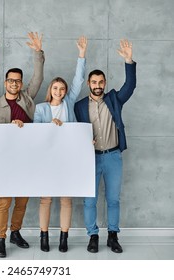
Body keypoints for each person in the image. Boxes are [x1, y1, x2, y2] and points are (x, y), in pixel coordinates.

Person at [74, 39, 136, 254]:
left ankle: (113, 236)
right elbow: (74, 131)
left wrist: (128, 60)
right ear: (89, 84)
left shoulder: (114, 99)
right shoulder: (79, 106)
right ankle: (92, 236)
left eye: (101, 82)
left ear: (105, 83)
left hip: (112, 156)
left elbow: (130, 86)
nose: (98, 85)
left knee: (113, 199)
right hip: (90, 158)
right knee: (89, 200)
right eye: (94, 82)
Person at [0, 32, 45, 258]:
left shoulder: (28, 98)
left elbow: (38, 78)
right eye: (10, 80)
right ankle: (0, 239)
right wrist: (11, 127)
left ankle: (15, 232)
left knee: (22, 200)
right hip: (5, 159)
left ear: (21, 84)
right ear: (5, 82)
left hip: (27, 157)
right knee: (4, 201)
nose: (14, 83)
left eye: (18, 81)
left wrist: (38, 52)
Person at [34, 36, 87, 253]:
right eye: (55, 88)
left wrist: (81, 55)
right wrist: (50, 125)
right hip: (47, 159)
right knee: (45, 199)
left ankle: (64, 237)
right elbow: (35, 133)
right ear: (51, 90)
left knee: (66, 200)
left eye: (62, 88)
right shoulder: (41, 108)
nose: (58, 91)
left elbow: (78, 80)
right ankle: (44, 236)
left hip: (67, 159)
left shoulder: (69, 103)